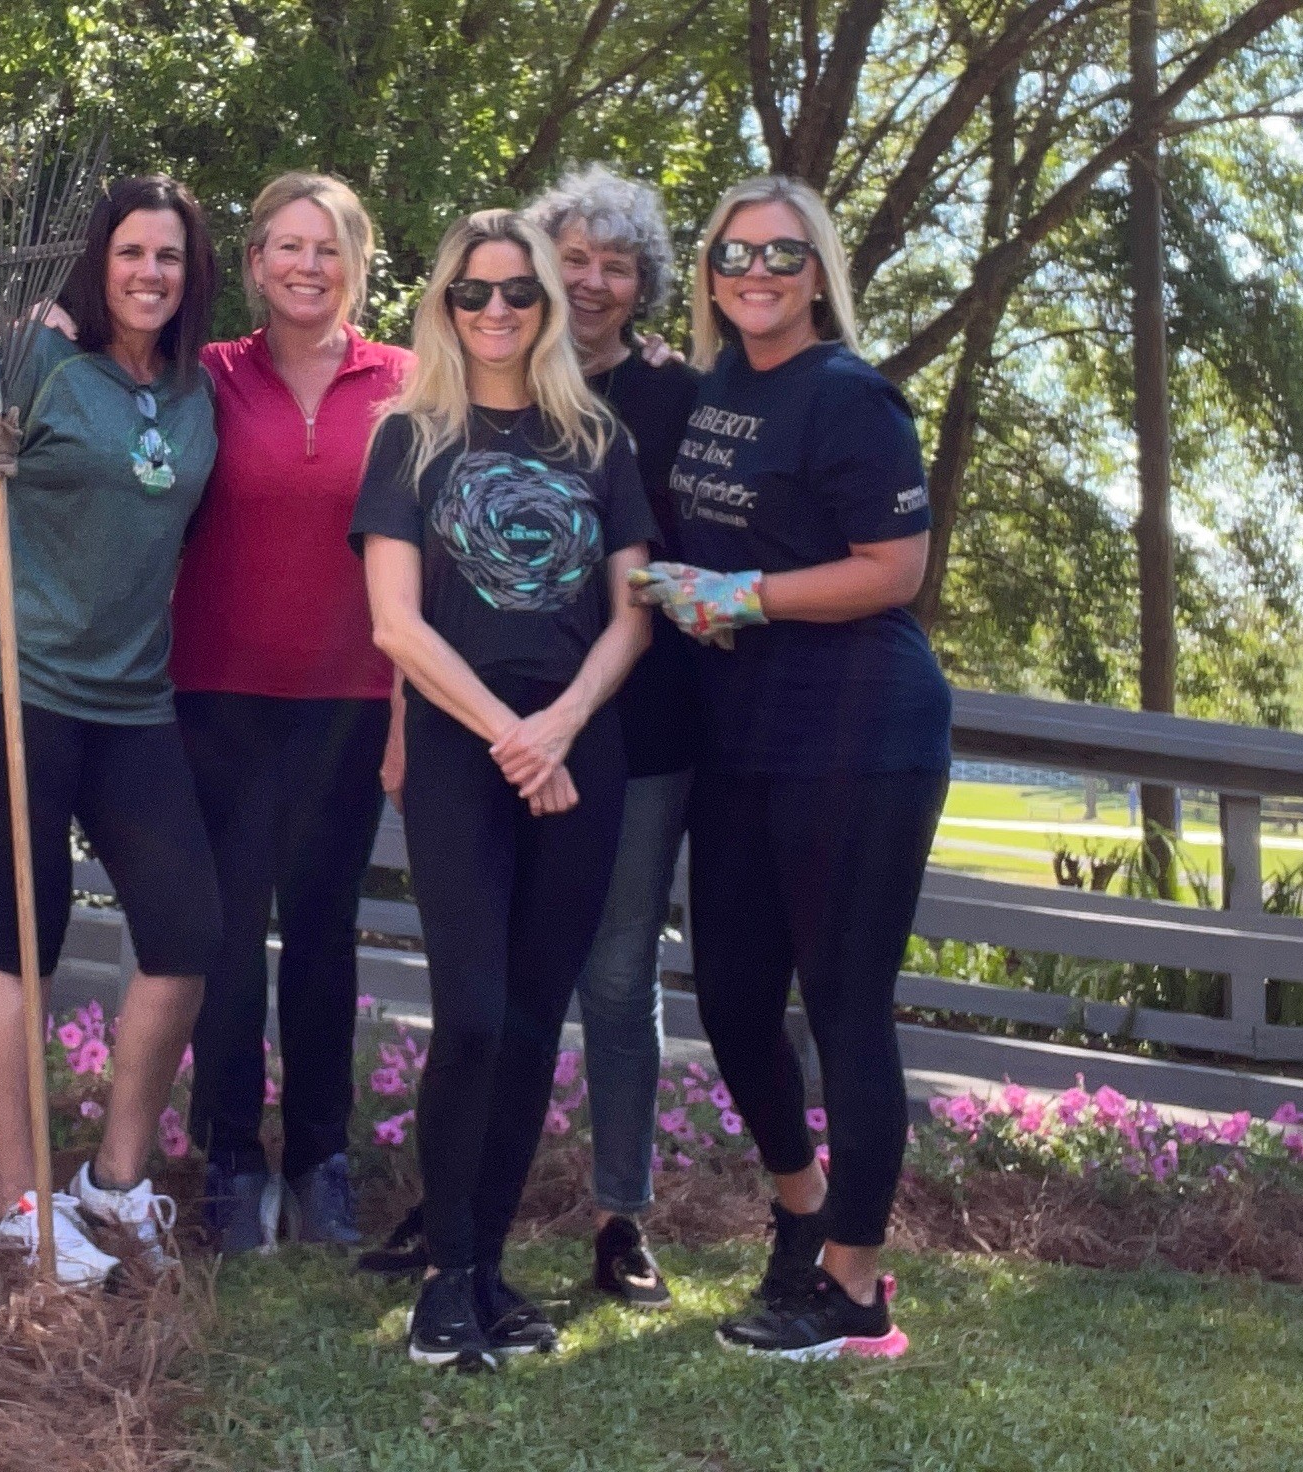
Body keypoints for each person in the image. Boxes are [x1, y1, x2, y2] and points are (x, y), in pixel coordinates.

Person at [631, 175, 951, 1360]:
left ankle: (854, 1288)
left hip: (861, 733)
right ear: (711, 274)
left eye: (781, 253)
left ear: (818, 272)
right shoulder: (713, 387)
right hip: (744, 736)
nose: (756, 272)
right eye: (734, 254)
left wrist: (743, 595)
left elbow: (894, 568)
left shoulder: (851, 396)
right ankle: (804, 1208)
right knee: (729, 996)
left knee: (847, 1003)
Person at [352, 208, 656, 1369]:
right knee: (474, 1012)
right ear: (443, 303)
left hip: (581, 755)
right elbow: (395, 622)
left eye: (518, 292)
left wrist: (561, 726)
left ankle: (484, 1267)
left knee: (533, 1020)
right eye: (472, 292)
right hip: (461, 754)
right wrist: (510, 738)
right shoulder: (409, 436)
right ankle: (442, 1278)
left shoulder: (599, 439)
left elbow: (633, 613)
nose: (495, 311)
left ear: (547, 306)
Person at [0, 175, 223, 1287]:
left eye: (169, 256)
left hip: (132, 702)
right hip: (10, 687)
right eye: (131, 252)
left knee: (187, 936)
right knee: (23, 944)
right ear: (100, 261)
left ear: (191, 273)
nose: (149, 272)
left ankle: (113, 1180)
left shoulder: (194, 391)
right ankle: (18, 1207)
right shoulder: (34, 356)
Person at [169, 173, 412, 1253]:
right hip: (215, 696)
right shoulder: (206, 374)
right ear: (255, 261)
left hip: (349, 705)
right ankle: (229, 1157)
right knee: (223, 934)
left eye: (330, 247)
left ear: (357, 264)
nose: (308, 265)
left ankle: (320, 1157)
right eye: (288, 246)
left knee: (322, 933)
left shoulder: (409, 381)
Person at [524, 164, 698, 1307]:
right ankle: (470, 1189)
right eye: (574, 258)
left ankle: (620, 1214)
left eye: (617, 266)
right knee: (503, 963)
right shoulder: (498, 371)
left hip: (644, 727)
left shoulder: (681, 399)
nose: (591, 282)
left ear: (646, 285)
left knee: (620, 971)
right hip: (510, 719)